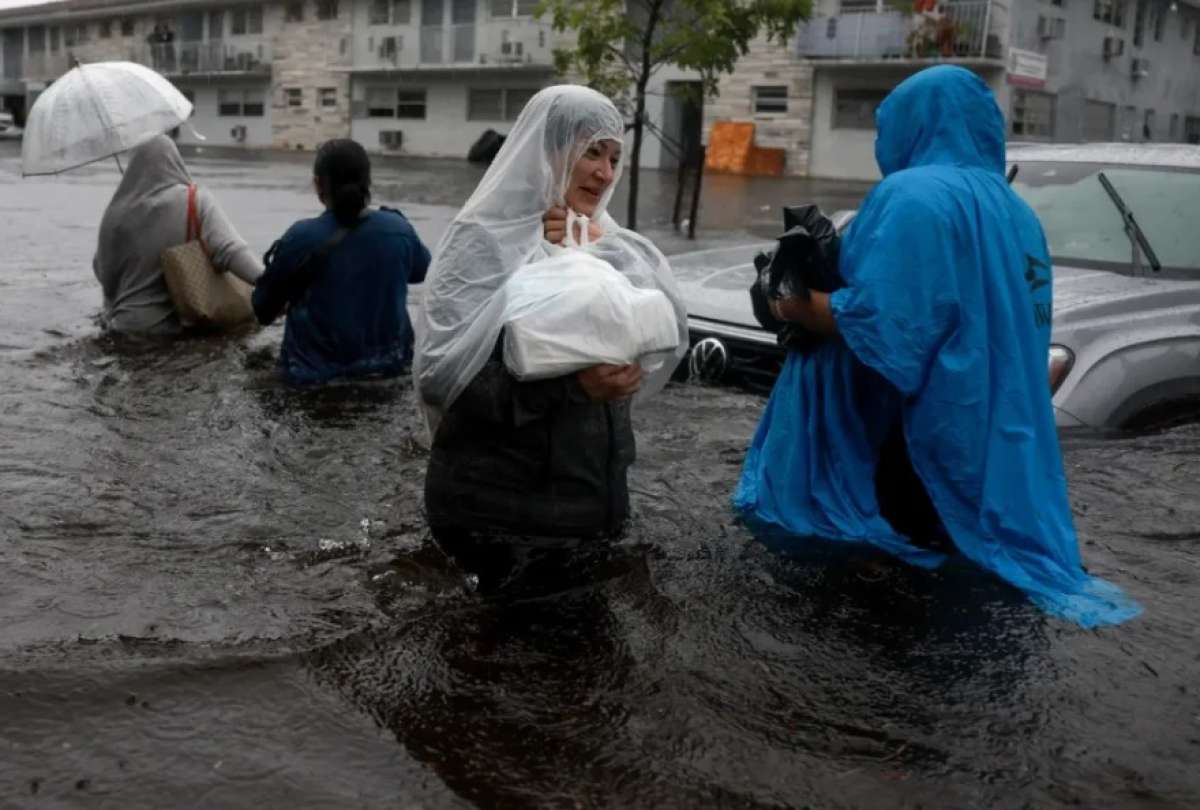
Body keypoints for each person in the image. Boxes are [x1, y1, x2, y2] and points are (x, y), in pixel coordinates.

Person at [735, 66, 1140, 627]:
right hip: (990, 437)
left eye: (887, 126)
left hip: (910, 431)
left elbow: (884, 325)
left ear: (913, 124)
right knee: (968, 586)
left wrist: (790, 303)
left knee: (886, 596)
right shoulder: (1016, 212)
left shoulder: (909, 195)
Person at [415, 85, 687, 583]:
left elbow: (662, 329)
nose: (606, 173)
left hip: (587, 505)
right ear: (547, 151)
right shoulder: (482, 242)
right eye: (592, 153)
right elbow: (441, 380)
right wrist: (574, 388)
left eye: (614, 158)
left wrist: (596, 252)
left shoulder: (602, 240)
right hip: (501, 519)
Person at [252, 138, 431, 385]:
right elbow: (423, 271)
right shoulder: (399, 229)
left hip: (312, 382)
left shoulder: (300, 238)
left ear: (318, 184)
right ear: (368, 182)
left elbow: (262, 309)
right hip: (391, 374)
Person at [93, 134, 262, 336]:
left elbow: (100, 270)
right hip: (166, 332)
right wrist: (274, 285)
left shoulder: (114, 213)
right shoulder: (193, 199)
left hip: (120, 326)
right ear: (174, 160)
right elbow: (230, 251)